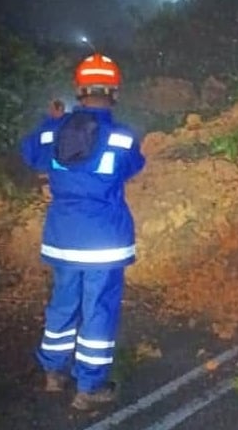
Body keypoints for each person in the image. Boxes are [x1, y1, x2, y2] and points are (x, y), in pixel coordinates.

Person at [20, 52, 145, 411]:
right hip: (104, 241)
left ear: (79, 90)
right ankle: (89, 387)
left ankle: (53, 373)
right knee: (98, 310)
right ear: (114, 92)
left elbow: (30, 154)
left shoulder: (55, 130)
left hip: (63, 238)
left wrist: (50, 120)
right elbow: (134, 166)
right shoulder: (121, 136)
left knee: (62, 302)